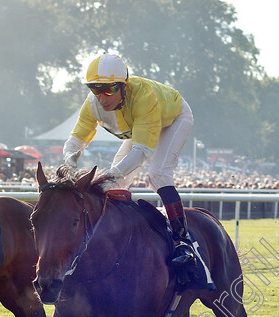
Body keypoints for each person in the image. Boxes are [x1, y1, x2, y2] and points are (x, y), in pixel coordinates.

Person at [61, 53, 199, 272]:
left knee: (158, 174)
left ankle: (184, 242)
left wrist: (110, 174)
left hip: (174, 119)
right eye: (96, 89)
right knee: (115, 184)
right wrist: (69, 158)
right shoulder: (92, 104)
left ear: (124, 86)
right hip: (141, 125)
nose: (102, 98)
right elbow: (76, 139)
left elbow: (142, 151)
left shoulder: (144, 96)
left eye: (109, 89)